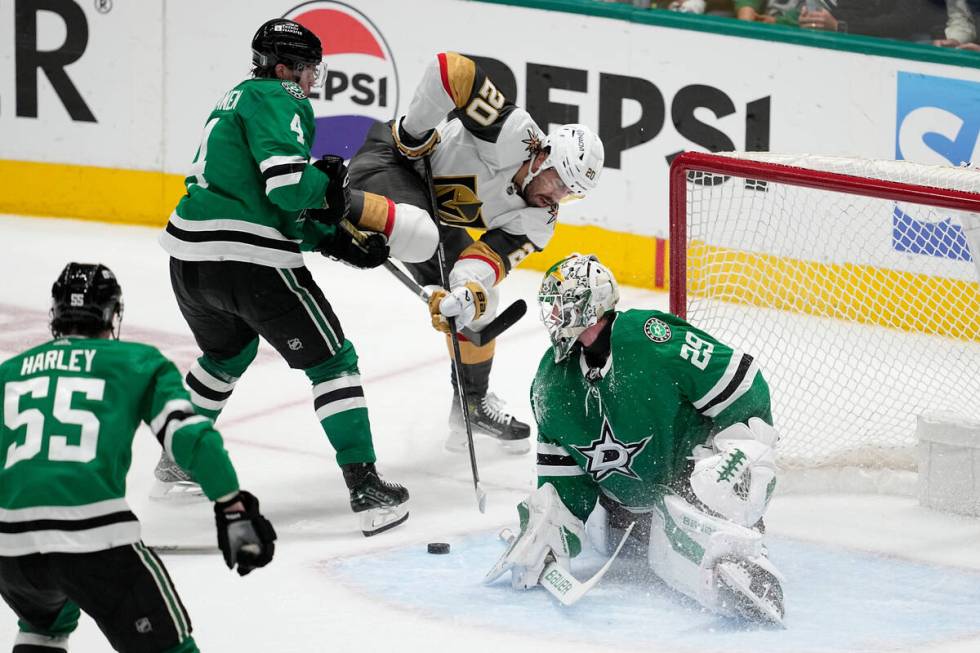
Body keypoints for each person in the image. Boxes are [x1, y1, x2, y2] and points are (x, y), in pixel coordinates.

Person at [156, 18, 432, 535]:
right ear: (283, 67)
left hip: (188, 261)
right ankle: (367, 488)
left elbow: (270, 205)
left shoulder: (235, 99)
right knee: (333, 363)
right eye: (306, 69)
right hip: (249, 263)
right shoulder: (280, 97)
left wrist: (332, 239)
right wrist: (325, 188)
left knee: (226, 354)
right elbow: (287, 187)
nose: (311, 80)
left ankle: (179, 459)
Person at [485, 254, 785, 624]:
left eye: (564, 308)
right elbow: (565, 486)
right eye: (553, 309)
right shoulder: (550, 384)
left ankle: (737, 547)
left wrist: (739, 453)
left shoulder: (650, 338)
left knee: (721, 477)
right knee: (641, 542)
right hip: (625, 518)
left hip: (693, 484)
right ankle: (700, 545)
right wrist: (549, 529)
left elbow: (744, 387)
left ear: (593, 307)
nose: (556, 318)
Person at [0, 263, 276, 653]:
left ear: (56, 314)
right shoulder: (136, 361)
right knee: (170, 646)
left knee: (43, 626)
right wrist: (232, 507)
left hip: (11, 550)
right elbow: (190, 437)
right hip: (93, 539)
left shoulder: (8, 373)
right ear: (112, 315)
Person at [347, 52, 605, 455]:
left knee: (482, 304)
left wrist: (465, 292)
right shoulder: (516, 133)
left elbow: (489, 259)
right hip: (390, 163)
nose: (556, 196)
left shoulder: (540, 220)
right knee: (420, 232)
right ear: (542, 156)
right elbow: (451, 69)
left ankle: (470, 403)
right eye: (557, 181)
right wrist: (414, 134)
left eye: (569, 193)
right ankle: (331, 206)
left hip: (428, 220)